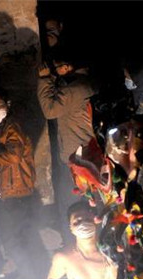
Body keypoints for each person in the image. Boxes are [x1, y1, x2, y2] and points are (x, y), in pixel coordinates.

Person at [0, 91, 48, 279]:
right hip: (15, 190)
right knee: (25, 238)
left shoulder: (11, 127)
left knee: (12, 241)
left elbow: (13, 157)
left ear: (7, 104)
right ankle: (39, 277)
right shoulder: (1, 128)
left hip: (15, 192)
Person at [37, 56, 96, 232]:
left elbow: (50, 110)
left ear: (67, 66)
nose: (55, 72)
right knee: (87, 202)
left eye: (56, 68)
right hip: (81, 153)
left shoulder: (75, 89)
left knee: (73, 204)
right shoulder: (83, 85)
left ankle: (74, 239)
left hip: (78, 157)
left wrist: (44, 79)